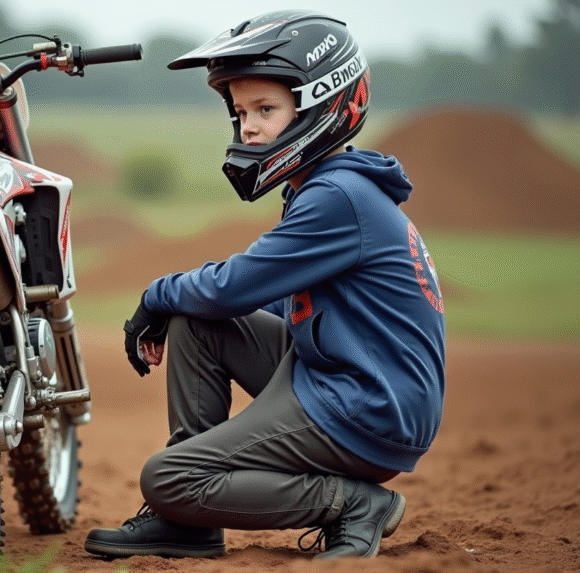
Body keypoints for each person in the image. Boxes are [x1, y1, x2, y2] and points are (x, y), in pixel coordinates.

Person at [84, 10, 445, 561]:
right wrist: (184, 300)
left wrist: (155, 294)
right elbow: (266, 297)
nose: (247, 126)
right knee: (197, 320)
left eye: (266, 109)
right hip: (341, 376)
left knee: (168, 477)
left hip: (365, 404)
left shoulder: (337, 197)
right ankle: (188, 527)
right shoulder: (329, 187)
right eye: (241, 112)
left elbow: (231, 287)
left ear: (322, 104)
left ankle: (354, 504)